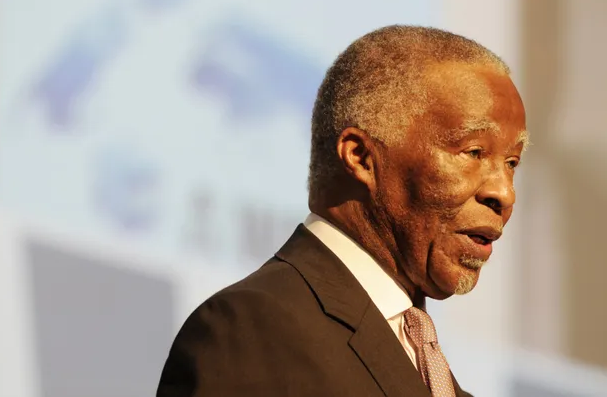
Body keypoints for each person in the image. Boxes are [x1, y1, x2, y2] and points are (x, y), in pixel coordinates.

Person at [157, 25, 528, 397]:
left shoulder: (435, 375)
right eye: (473, 153)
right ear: (361, 157)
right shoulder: (249, 329)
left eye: (512, 163)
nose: (504, 193)